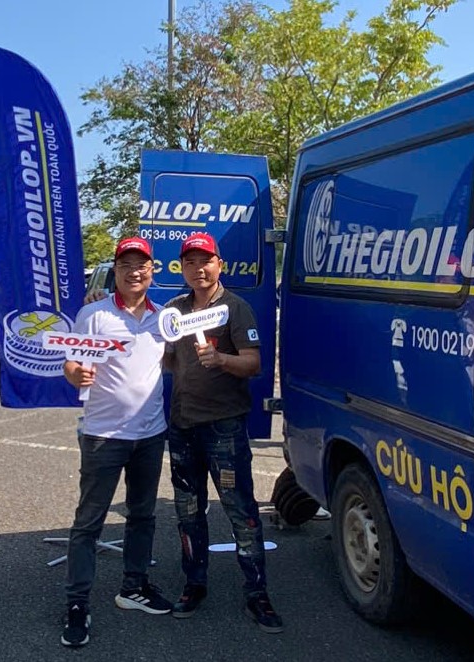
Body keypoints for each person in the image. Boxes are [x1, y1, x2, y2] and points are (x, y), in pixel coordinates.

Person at [164, 232, 283, 634]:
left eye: (206, 261)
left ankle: (257, 593)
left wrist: (220, 359)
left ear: (220, 265)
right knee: (188, 512)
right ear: (182, 268)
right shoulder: (174, 310)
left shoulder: (236, 308)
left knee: (241, 512)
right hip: (182, 425)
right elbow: (166, 361)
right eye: (190, 262)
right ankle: (194, 584)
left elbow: (253, 363)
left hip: (224, 428)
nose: (198, 269)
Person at [60, 236, 172, 648]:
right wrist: (75, 373)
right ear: (116, 271)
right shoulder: (94, 313)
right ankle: (77, 603)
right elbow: (72, 360)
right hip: (103, 436)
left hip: (150, 434)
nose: (134, 272)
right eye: (126, 265)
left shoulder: (165, 317)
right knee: (88, 522)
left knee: (143, 516)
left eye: (141, 265)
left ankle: (133, 587)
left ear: (152, 271)